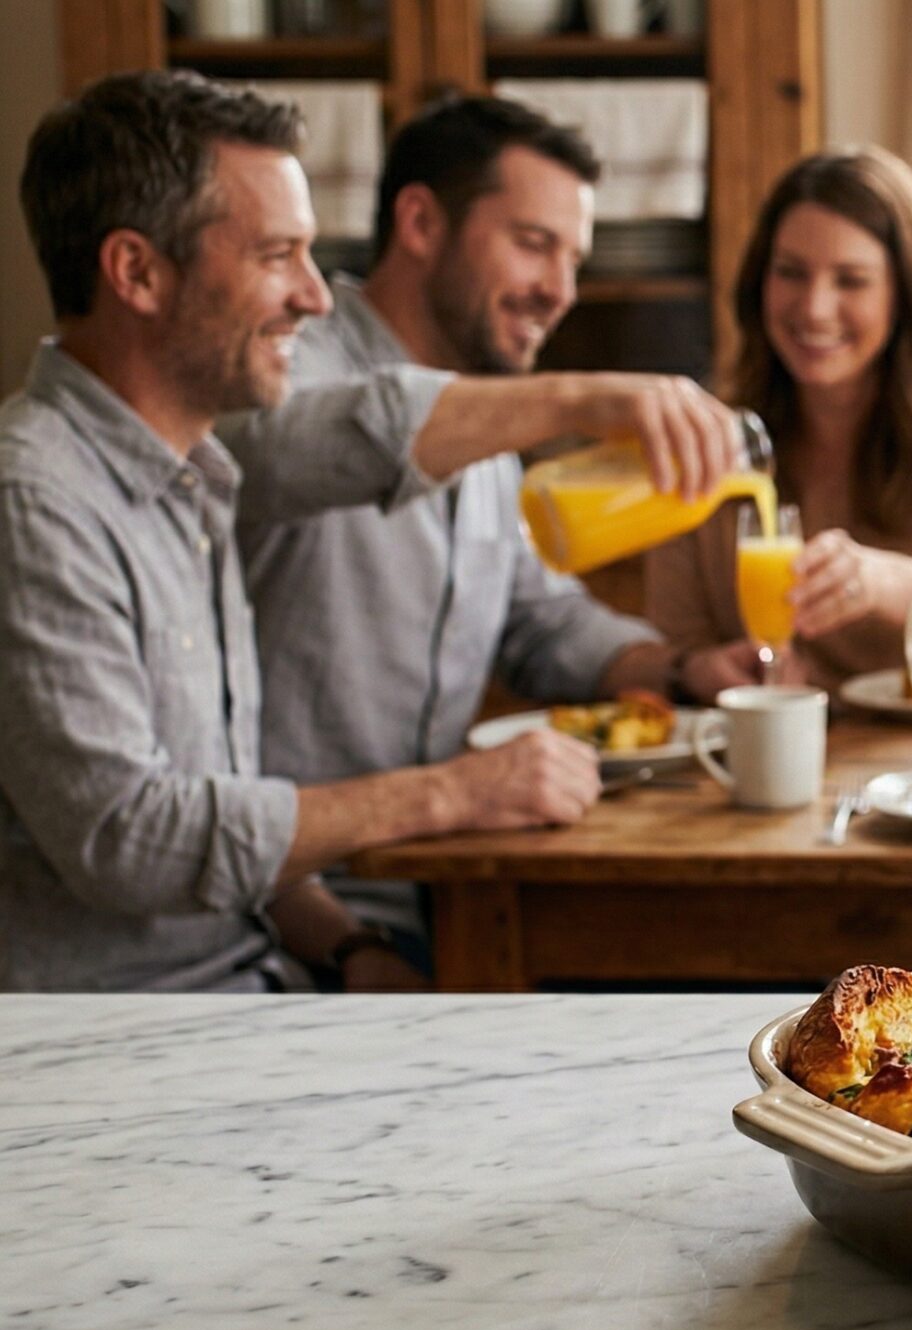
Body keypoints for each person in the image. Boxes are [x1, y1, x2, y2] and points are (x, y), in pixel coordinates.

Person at [0, 72, 718, 992]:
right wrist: (451, 795)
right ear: (137, 271)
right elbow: (131, 837)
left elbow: (534, 615)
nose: (315, 296)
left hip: (292, 947)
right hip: (142, 1025)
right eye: (277, 255)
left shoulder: (193, 479)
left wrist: (682, 670)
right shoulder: (58, 489)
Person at [218, 95, 752, 959]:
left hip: (444, 888)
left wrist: (682, 667)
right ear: (421, 221)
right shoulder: (289, 366)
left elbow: (539, 618)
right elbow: (295, 444)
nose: (561, 290)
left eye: (574, 258)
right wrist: (582, 395)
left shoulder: (487, 431)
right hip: (287, 913)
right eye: (533, 244)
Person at [648, 147, 912, 692]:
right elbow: (679, 649)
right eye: (790, 273)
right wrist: (702, 671)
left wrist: (881, 582)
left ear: (905, 296)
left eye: (850, 280)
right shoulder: (708, 443)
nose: (814, 308)